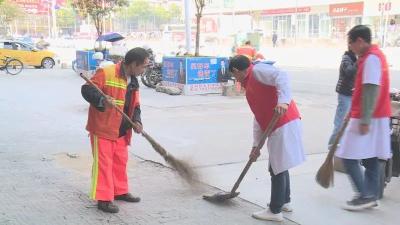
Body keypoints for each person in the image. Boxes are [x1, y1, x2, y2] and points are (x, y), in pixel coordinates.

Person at [229, 55, 305, 222]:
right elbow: (258, 117)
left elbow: (282, 75)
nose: (235, 79)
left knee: (276, 167)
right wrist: (256, 146)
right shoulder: (250, 83)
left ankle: (275, 210)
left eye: (234, 76)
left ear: (236, 71)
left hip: (283, 122)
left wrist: (284, 102)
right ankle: (284, 201)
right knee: (280, 165)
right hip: (280, 124)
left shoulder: (258, 70)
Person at [81, 47, 150, 213]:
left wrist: (137, 120)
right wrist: (102, 100)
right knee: (104, 164)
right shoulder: (106, 72)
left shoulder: (133, 80)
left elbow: (136, 104)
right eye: (144, 66)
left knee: (120, 161)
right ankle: (104, 199)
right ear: (134, 64)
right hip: (104, 128)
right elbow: (86, 89)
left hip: (122, 129)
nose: (144, 69)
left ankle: (119, 191)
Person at [335, 25, 391, 211]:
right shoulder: (373, 56)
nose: (350, 47)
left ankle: (364, 195)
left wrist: (364, 120)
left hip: (369, 117)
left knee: (348, 156)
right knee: (371, 158)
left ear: (359, 41)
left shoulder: (372, 59)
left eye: (350, 43)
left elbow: (370, 90)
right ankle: (371, 195)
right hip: (374, 115)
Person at [328, 48, 357, 150]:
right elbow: (349, 71)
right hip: (345, 94)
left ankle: (340, 146)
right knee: (340, 123)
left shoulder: (354, 58)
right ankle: (331, 147)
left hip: (352, 93)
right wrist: (359, 62)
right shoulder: (346, 58)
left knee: (348, 123)